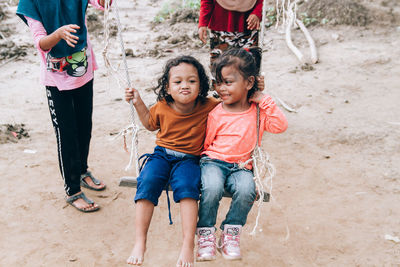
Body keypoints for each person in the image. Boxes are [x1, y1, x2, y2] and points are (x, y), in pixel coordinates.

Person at [124, 55, 219, 266]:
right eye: (178, 82)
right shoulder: (162, 106)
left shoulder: (210, 105)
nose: (185, 86)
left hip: (190, 160)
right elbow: (149, 124)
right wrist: (138, 101)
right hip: (162, 155)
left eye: (192, 81)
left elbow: (235, 101)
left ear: (201, 85)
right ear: (167, 87)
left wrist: (254, 89)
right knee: (147, 181)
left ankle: (187, 244)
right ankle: (140, 241)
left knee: (188, 187)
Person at [196, 47, 288, 261]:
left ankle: (230, 233)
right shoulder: (216, 112)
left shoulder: (258, 112)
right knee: (211, 187)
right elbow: (207, 141)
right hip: (213, 162)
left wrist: (263, 99)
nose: (221, 88)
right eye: (218, 83)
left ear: (248, 83)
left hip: (242, 166)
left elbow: (280, 126)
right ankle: (206, 233)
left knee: (248, 190)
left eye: (228, 82)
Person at [16, 0, 108, 213]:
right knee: (66, 133)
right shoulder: (31, 3)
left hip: (84, 70)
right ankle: (73, 190)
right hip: (56, 80)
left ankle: (83, 171)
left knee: (85, 126)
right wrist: (58, 34)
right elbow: (41, 42)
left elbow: (102, 3)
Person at [198, 0, 264, 65]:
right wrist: (203, 23)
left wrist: (257, 12)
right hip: (221, 24)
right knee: (221, 65)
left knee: (249, 66)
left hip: (248, 24)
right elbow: (206, 1)